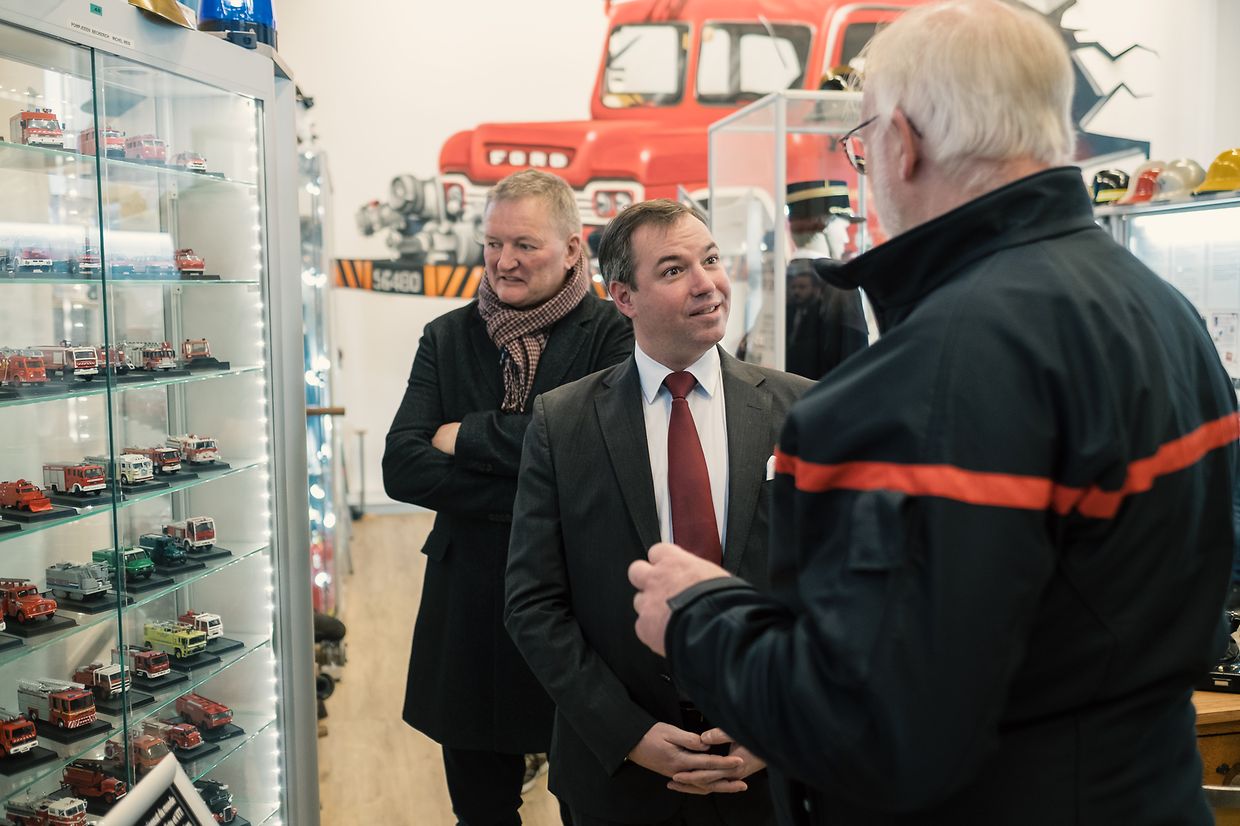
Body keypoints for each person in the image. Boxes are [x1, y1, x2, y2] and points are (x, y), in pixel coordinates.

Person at [627, 2, 1238, 824]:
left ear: (903, 142)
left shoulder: (927, 381)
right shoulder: (1160, 312)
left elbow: (875, 733)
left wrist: (700, 616)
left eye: (863, 137)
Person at [505, 199, 812, 826]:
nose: (707, 283)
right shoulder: (563, 422)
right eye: (674, 270)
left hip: (772, 766)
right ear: (623, 296)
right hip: (619, 774)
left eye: (711, 260)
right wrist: (629, 734)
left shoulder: (802, 408)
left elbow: (838, 591)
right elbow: (533, 602)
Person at [383, 169, 633, 826]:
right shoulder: (448, 335)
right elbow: (402, 465)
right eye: (493, 243)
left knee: (590, 797)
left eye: (524, 245)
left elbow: (600, 455)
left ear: (574, 248)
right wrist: (536, 467)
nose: (503, 262)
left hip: (576, 596)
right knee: (481, 808)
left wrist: (465, 434)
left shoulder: (612, 334)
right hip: (469, 598)